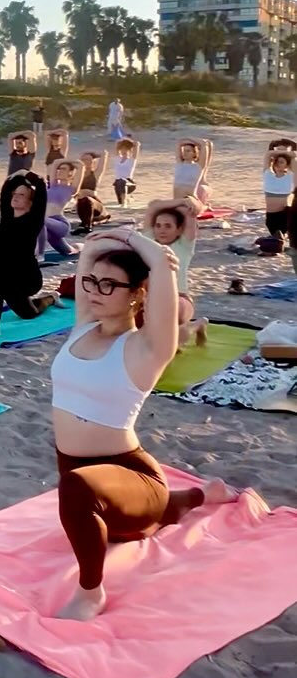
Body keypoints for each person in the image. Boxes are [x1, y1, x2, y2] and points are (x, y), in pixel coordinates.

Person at [48, 227, 235, 620]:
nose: (95, 291)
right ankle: (201, 495)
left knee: (80, 489)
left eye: (109, 285)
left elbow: (162, 274)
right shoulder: (83, 326)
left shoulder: (147, 348)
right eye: (90, 283)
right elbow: (89, 255)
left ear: (138, 294)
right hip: (90, 479)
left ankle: (91, 594)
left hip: (125, 472)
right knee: (99, 499)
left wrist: (140, 242)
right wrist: (108, 239)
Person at [0, 171, 55, 340]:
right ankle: (50, 298)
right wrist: (15, 177)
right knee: (28, 314)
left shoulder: (33, 221)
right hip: (7, 277)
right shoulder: (7, 217)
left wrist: (28, 173)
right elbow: (6, 190)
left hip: (27, 278)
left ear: (30, 202)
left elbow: (41, 187)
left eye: (22, 195)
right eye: (15, 194)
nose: (16, 197)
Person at [143, 197, 205, 347]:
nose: (161, 230)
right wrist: (180, 202)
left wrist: (189, 202)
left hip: (179, 300)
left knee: (170, 340)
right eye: (158, 226)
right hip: (150, 300)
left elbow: (191, 211)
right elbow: (152, 206)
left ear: (178, 230)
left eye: (168, 226)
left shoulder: (184, 245)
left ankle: (198, 324)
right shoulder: (149, 241)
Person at [39, 159, 83, 256]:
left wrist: (71, 162)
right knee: (69, 251)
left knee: (38, 220)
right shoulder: (53, 185)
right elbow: (55, 163)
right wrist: (63, 162)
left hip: (59, 223)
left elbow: (80, 166)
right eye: (59, 169)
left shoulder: (71, 189)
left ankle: (39, 256)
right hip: (47, 225)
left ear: (70, 173)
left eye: (63, 169)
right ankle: (80, 247)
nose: (59, 171)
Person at [260, 141, 297, 251]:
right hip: (271, 216)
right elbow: (267, 155)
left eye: (281, 162)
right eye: (276, 161)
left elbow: (294, 155)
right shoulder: (267, 174)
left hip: (284, 214)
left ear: (287, 164)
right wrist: (278, 153)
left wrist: (285, 153)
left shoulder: (291, 176)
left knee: (280, 237)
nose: (277, 163)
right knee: (275, 237)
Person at [75, 149, 109, 232]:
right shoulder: (76, 176)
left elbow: (104, 155)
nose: (85, 161)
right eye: (83, 160)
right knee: (82, 200)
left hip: (95, 205)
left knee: (87, 199)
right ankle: (86, 223)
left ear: (93, 162)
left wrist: (95, 154)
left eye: (87, 159)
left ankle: (88, 226)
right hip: (82, 205)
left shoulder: (95, 174)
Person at [173, 138, 213, 206]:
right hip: (177, 202)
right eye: (184, 151)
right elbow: (179, 143)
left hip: (190, 202)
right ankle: (205, 206)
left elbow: (203, 144)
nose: (185, 153)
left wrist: (191, 140)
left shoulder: (198, 167)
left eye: (188, 151)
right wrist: (188, 140)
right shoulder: (179, 164)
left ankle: (204, 206)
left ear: (195, 153)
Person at [112, 138, 140, 207]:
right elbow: (116, 145)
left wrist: (133, 144)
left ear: (129, 151)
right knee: (119, 202)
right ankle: (127, 198)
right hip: (118, 183)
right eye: (122, 149)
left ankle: (125, 201)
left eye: (126, 149)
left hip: (129, 183)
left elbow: (137, 146)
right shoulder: (117, 159)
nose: (124, 151)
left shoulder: (131, 160)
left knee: (122, 181)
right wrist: (120, 142)